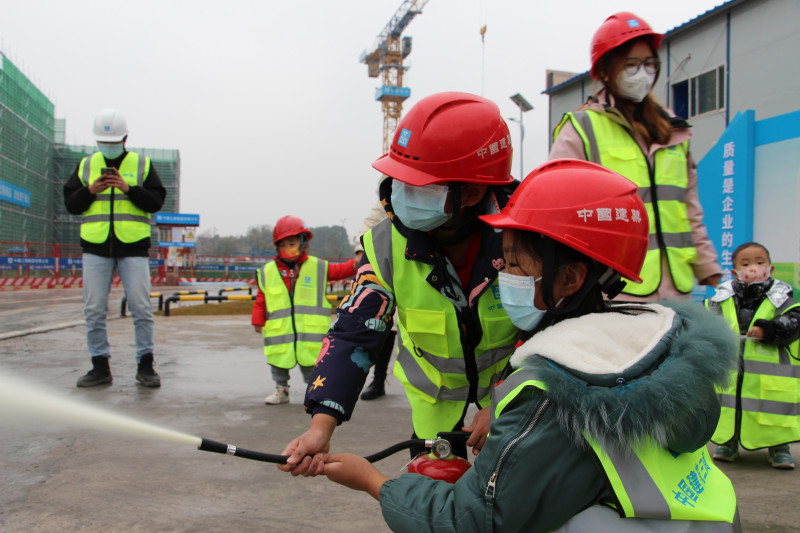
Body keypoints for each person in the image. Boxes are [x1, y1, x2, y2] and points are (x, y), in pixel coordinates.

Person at [320, 159, 741, 532]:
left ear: (572, 279)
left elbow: (471, 519)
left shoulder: (554, 399)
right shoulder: (654, 343)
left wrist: (375, 482)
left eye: (518, 266)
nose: (506, 279)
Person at [280, 92, 519, 475]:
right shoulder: (385, 245)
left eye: (421, 186)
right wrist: (321, 425)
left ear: (473, 192)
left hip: (518, 396)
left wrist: (508, 399)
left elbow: (554, 332)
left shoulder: (528, 236)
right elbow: (354, 332)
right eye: (400, 180)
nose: (402, 195)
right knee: (436, 495)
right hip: (435, 404)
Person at [550, 11, 722, 302]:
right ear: (605, 69)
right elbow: (558, 213)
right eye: (631, 64)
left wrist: (710, 270)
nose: (643, 73)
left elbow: (690, 211)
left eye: (650, 63)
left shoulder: (674, 132)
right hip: (615, 293)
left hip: (677, 293)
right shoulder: (581, 130)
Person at [63, 108, 166, 388]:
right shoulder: (86, 165)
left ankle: (146, 366)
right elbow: (71, 204)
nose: (107, 147)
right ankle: (100, 367)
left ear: (125, 139)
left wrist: (127, 188)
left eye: (112, 141)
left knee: (141, 307)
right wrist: (90, 190)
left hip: (133, 247)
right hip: (95, 247)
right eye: (103, 142)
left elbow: (156, 202)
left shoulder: (142, 164)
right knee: (94, 309)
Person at [705, 242, 800, 469]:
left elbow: (794, 324)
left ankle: (779, 448)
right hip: (731, 372)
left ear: (771, 268)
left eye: (760, 262)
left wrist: (769, 330)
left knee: (774, 416)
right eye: (746, 264)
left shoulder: (784, 299)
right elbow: (706, 326)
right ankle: (728, 443)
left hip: (771, 380)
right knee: (730, 409)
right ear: (734, 271)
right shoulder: (719, 299)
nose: (754, 268)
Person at [252, 215, 357, 404]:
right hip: (280, 333)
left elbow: (340, 270)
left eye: (292, 243)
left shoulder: (317, 266)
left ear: (303, 243)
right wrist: (257, 320)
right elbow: (261, 299)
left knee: (313, 365)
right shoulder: (268, 271)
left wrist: (357, 263)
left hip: (310, 334)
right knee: (278, 364)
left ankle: (315, 392)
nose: (287, 249)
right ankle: (281, 390)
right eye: (283, 245)